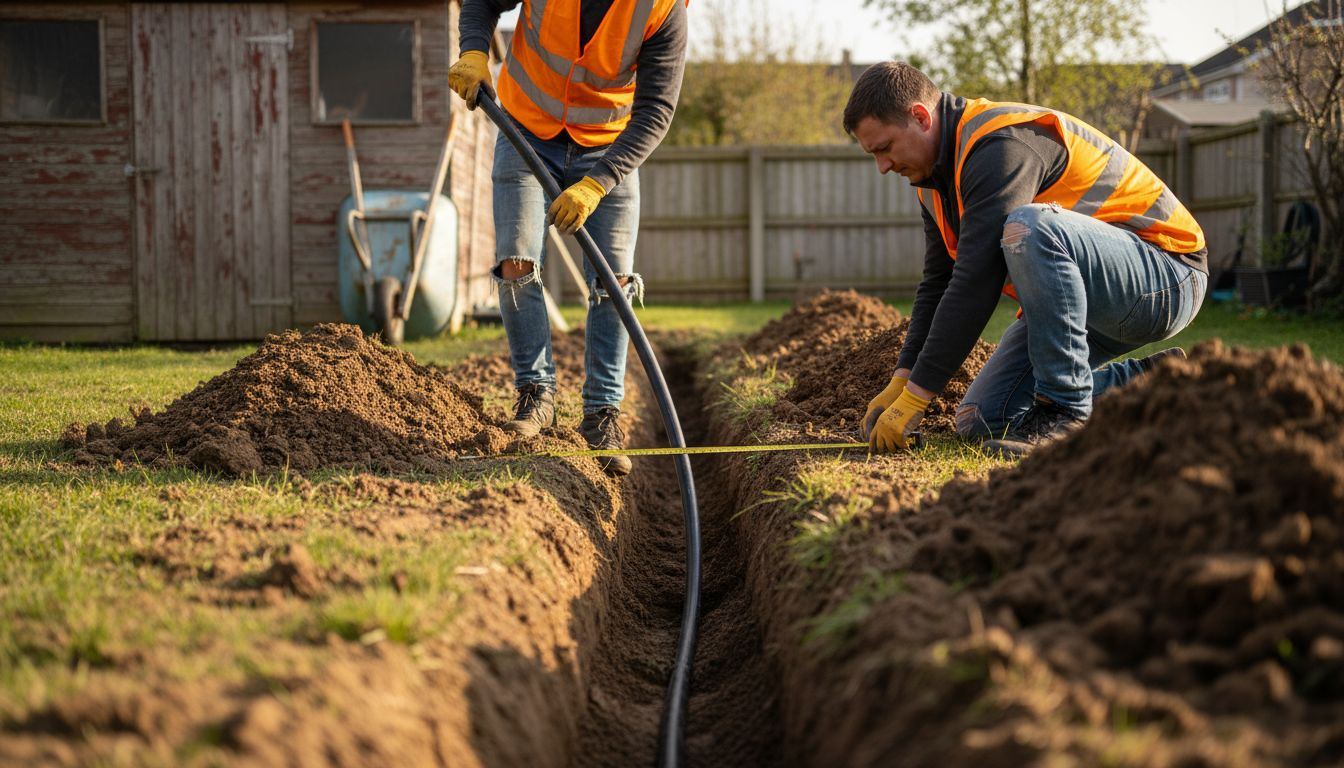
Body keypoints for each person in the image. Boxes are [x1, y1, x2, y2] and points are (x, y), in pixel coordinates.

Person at [845, 62, 1207, 457]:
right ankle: (1159, 383)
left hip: (1166, 275)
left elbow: (975, 281)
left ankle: (1065, 410)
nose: (882, 166)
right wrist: (903, 377)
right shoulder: (933, 184)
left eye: (884, 148)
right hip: (1089, 302)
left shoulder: (1001, 144)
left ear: (920, 115)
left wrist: (917, 399)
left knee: (1029, 226)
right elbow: (939, 283)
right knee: (981, 417)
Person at [448, 0, 688, 476]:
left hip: (608, 145)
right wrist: (474, 51)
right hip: (525, 127)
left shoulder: (663, 8)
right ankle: (535, 395)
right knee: (516, 262)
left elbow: (657, 109)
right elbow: (479, 3)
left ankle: (602, 415)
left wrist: (599, 181)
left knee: (613, 282)